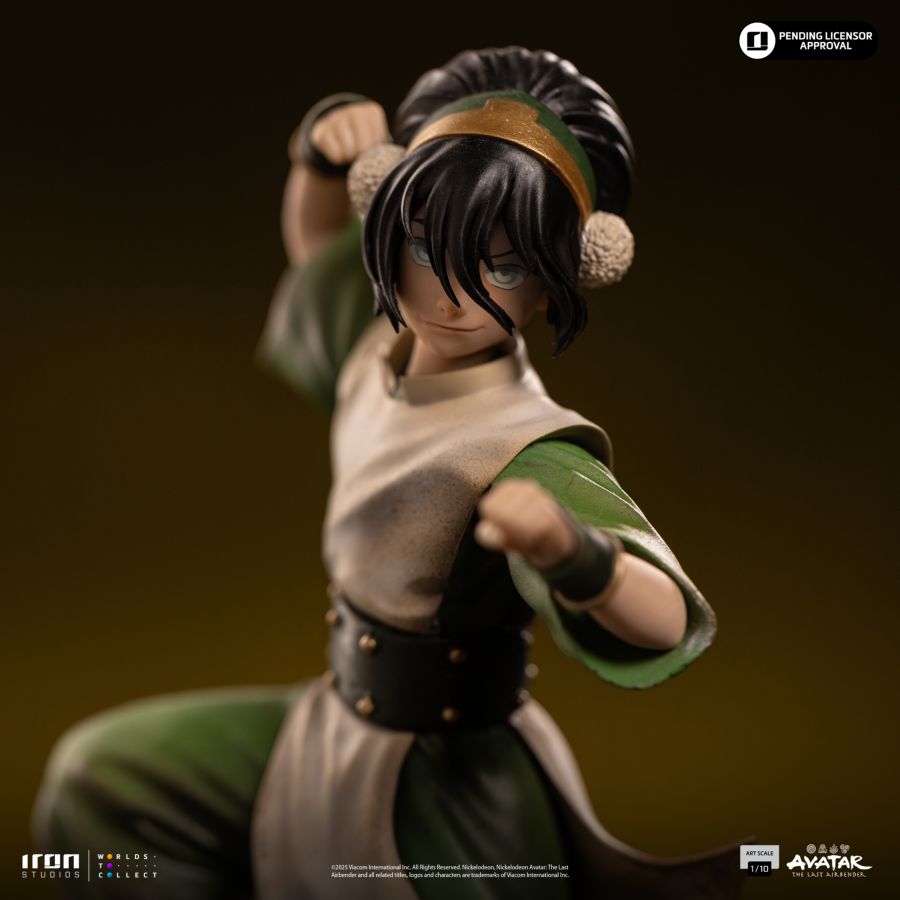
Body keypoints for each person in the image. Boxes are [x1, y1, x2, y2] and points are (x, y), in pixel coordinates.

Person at [34, 47, 742, 899]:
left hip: (448, 782)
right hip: (335, 723)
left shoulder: (525, 445)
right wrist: (318, 156)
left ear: (558, 282)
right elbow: (316, 253)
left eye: (504, 266)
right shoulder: (380, 344)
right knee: (99, 787)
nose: (451, 294)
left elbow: (667, 620)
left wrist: (572, 552)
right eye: (425, 245)